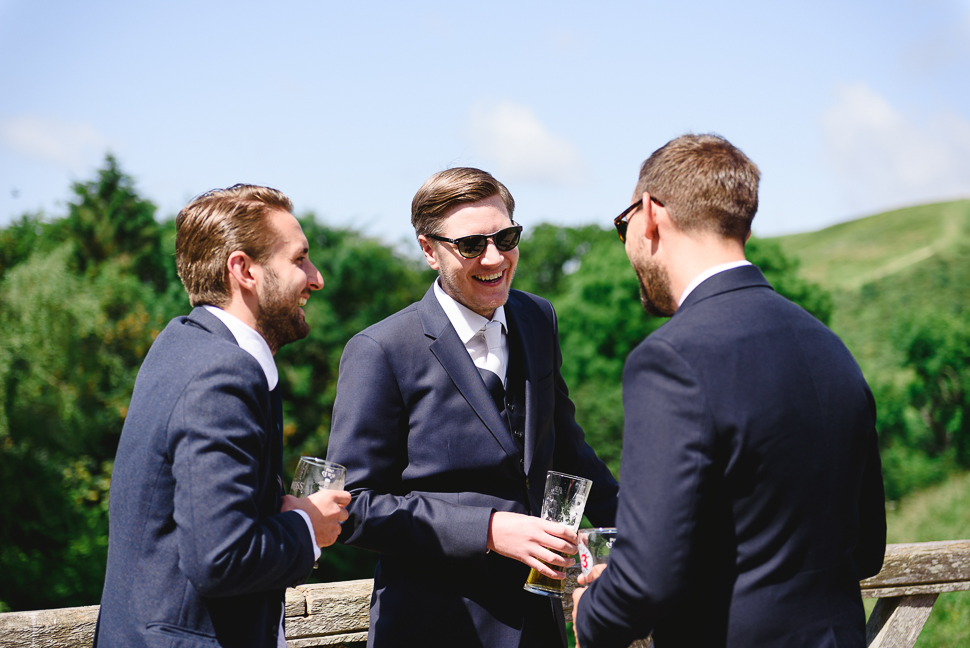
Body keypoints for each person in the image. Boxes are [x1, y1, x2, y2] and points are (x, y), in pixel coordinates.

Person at [572, 134, 887, 648]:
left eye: (622, 224)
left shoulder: (670, 359)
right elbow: (867, 547)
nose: (627, 242)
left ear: (650, 213)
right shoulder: (829, 347)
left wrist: (592, 614)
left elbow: (645, 578)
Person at [326, 167, 619, 648]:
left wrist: (644, 535)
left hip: (540, 627)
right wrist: (488, 530)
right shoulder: (379, 349)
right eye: (471, 246)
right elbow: (354, 506)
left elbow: (568, 449)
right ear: (428, 250)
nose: (495, 257)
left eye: (506, 237)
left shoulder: (537, 317)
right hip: (433, 629)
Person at [94, 185, 351, 648]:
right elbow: (221, 557)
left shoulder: (180, 342)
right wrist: (307, 528)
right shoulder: (223, 373)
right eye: (299, 260)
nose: (317, 279)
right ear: (244, 270)